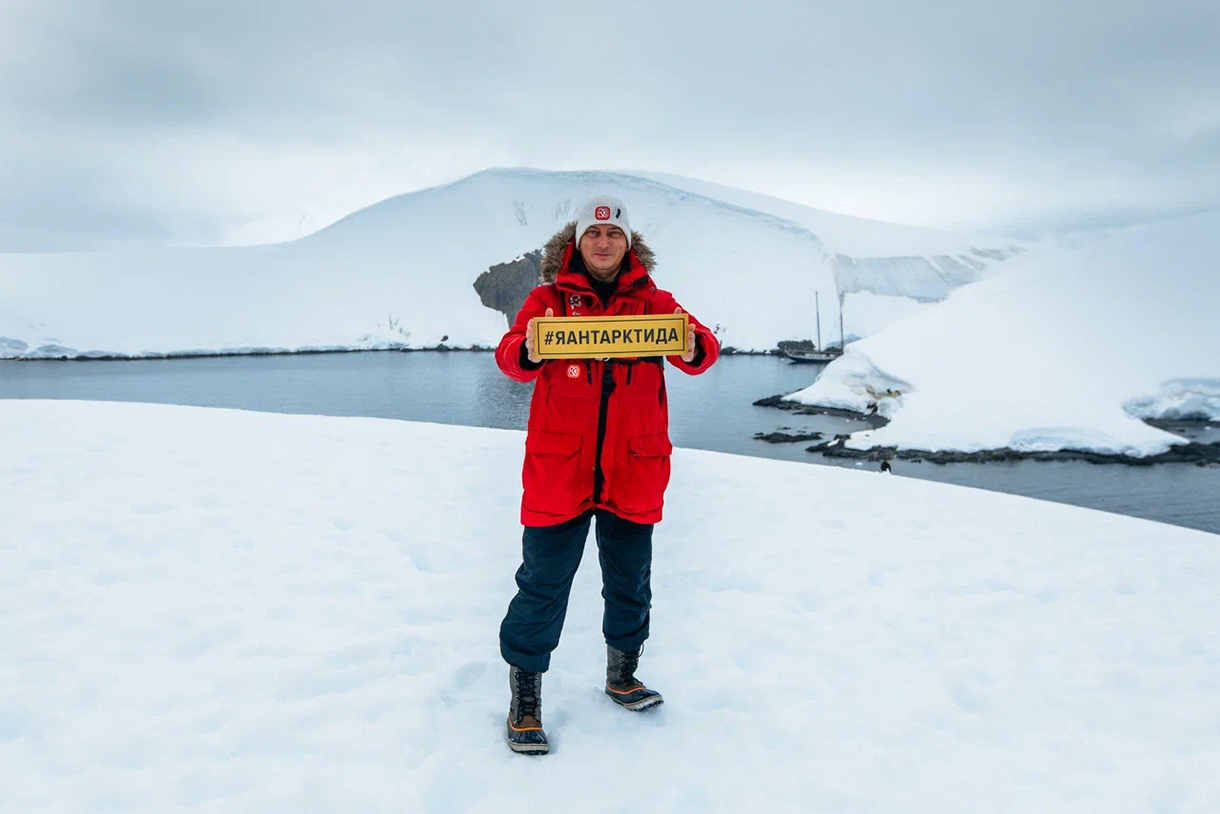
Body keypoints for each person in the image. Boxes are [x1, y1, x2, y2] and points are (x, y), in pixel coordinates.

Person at [494, 195, 719, 754]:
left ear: (627, 244)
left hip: (633, 469)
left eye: (613, 235)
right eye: (592, 236)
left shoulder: (655, 304)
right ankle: (525, 697)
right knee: (541, 585)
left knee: (629, 582)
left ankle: (622, 674)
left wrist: (691, 342)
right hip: (559, 470)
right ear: (576, 245)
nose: (602, 243)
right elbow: (508, 356)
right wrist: (528, 351)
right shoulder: (546, 300)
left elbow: (704, 351)